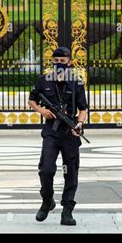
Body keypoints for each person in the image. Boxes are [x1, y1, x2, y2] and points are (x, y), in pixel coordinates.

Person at [28, 46, 88, 226]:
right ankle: (47, 201)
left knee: (70, 172)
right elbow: (31, 99)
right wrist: (41, 110)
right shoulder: (43, 81)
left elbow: (83, 109)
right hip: (51, 133)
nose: (59, 64)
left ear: (69, 62)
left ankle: (67, 210)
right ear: (52, 62)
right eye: (56, 61)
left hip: (70, 134)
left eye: (63, 61)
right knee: (46, 169)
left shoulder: (76, 83)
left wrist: (79, 123)